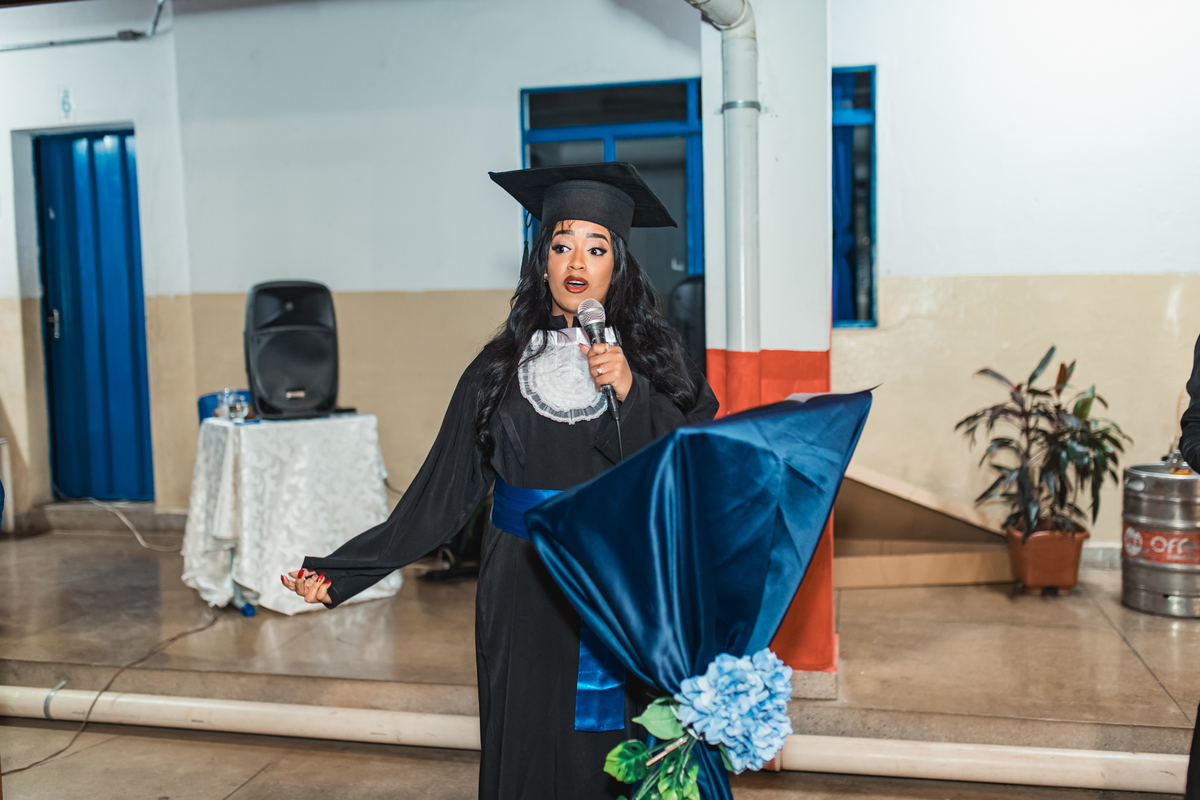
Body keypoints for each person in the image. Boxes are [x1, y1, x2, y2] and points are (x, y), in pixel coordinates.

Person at [281, 162, 719, 799]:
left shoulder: (656, 360)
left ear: (618, 267)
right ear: (540, 262)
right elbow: (437, 497)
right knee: (525, 733)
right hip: (521, 585)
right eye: (561, 245)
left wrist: (634, 392)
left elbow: (699, 458)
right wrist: (342, 574)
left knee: (611, 744)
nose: (577, 262)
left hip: (613, 580)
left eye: (596, 249)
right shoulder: (497, 370)